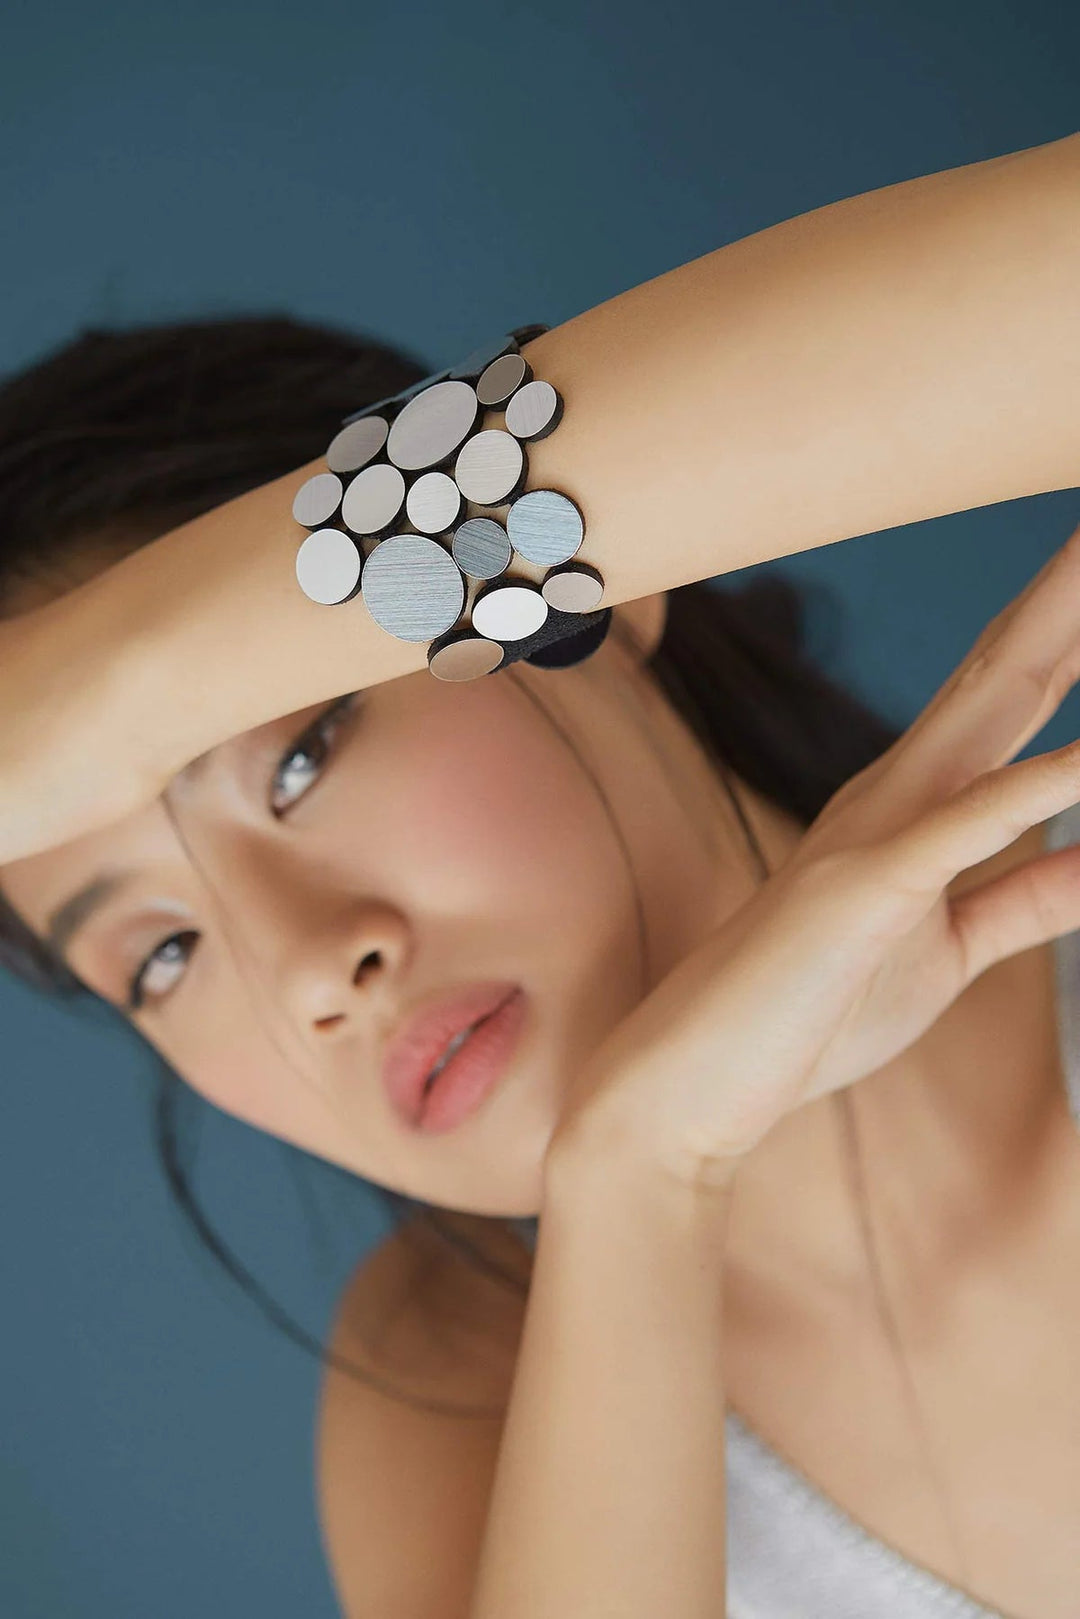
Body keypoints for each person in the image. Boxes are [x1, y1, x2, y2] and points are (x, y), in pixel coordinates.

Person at [0, 131, 1078, 1619]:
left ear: (597, 594)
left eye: (300, 755)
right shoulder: (453, 1393)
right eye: (158, 957)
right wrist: (644, 1178)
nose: (310, 971)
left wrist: (113, 684)